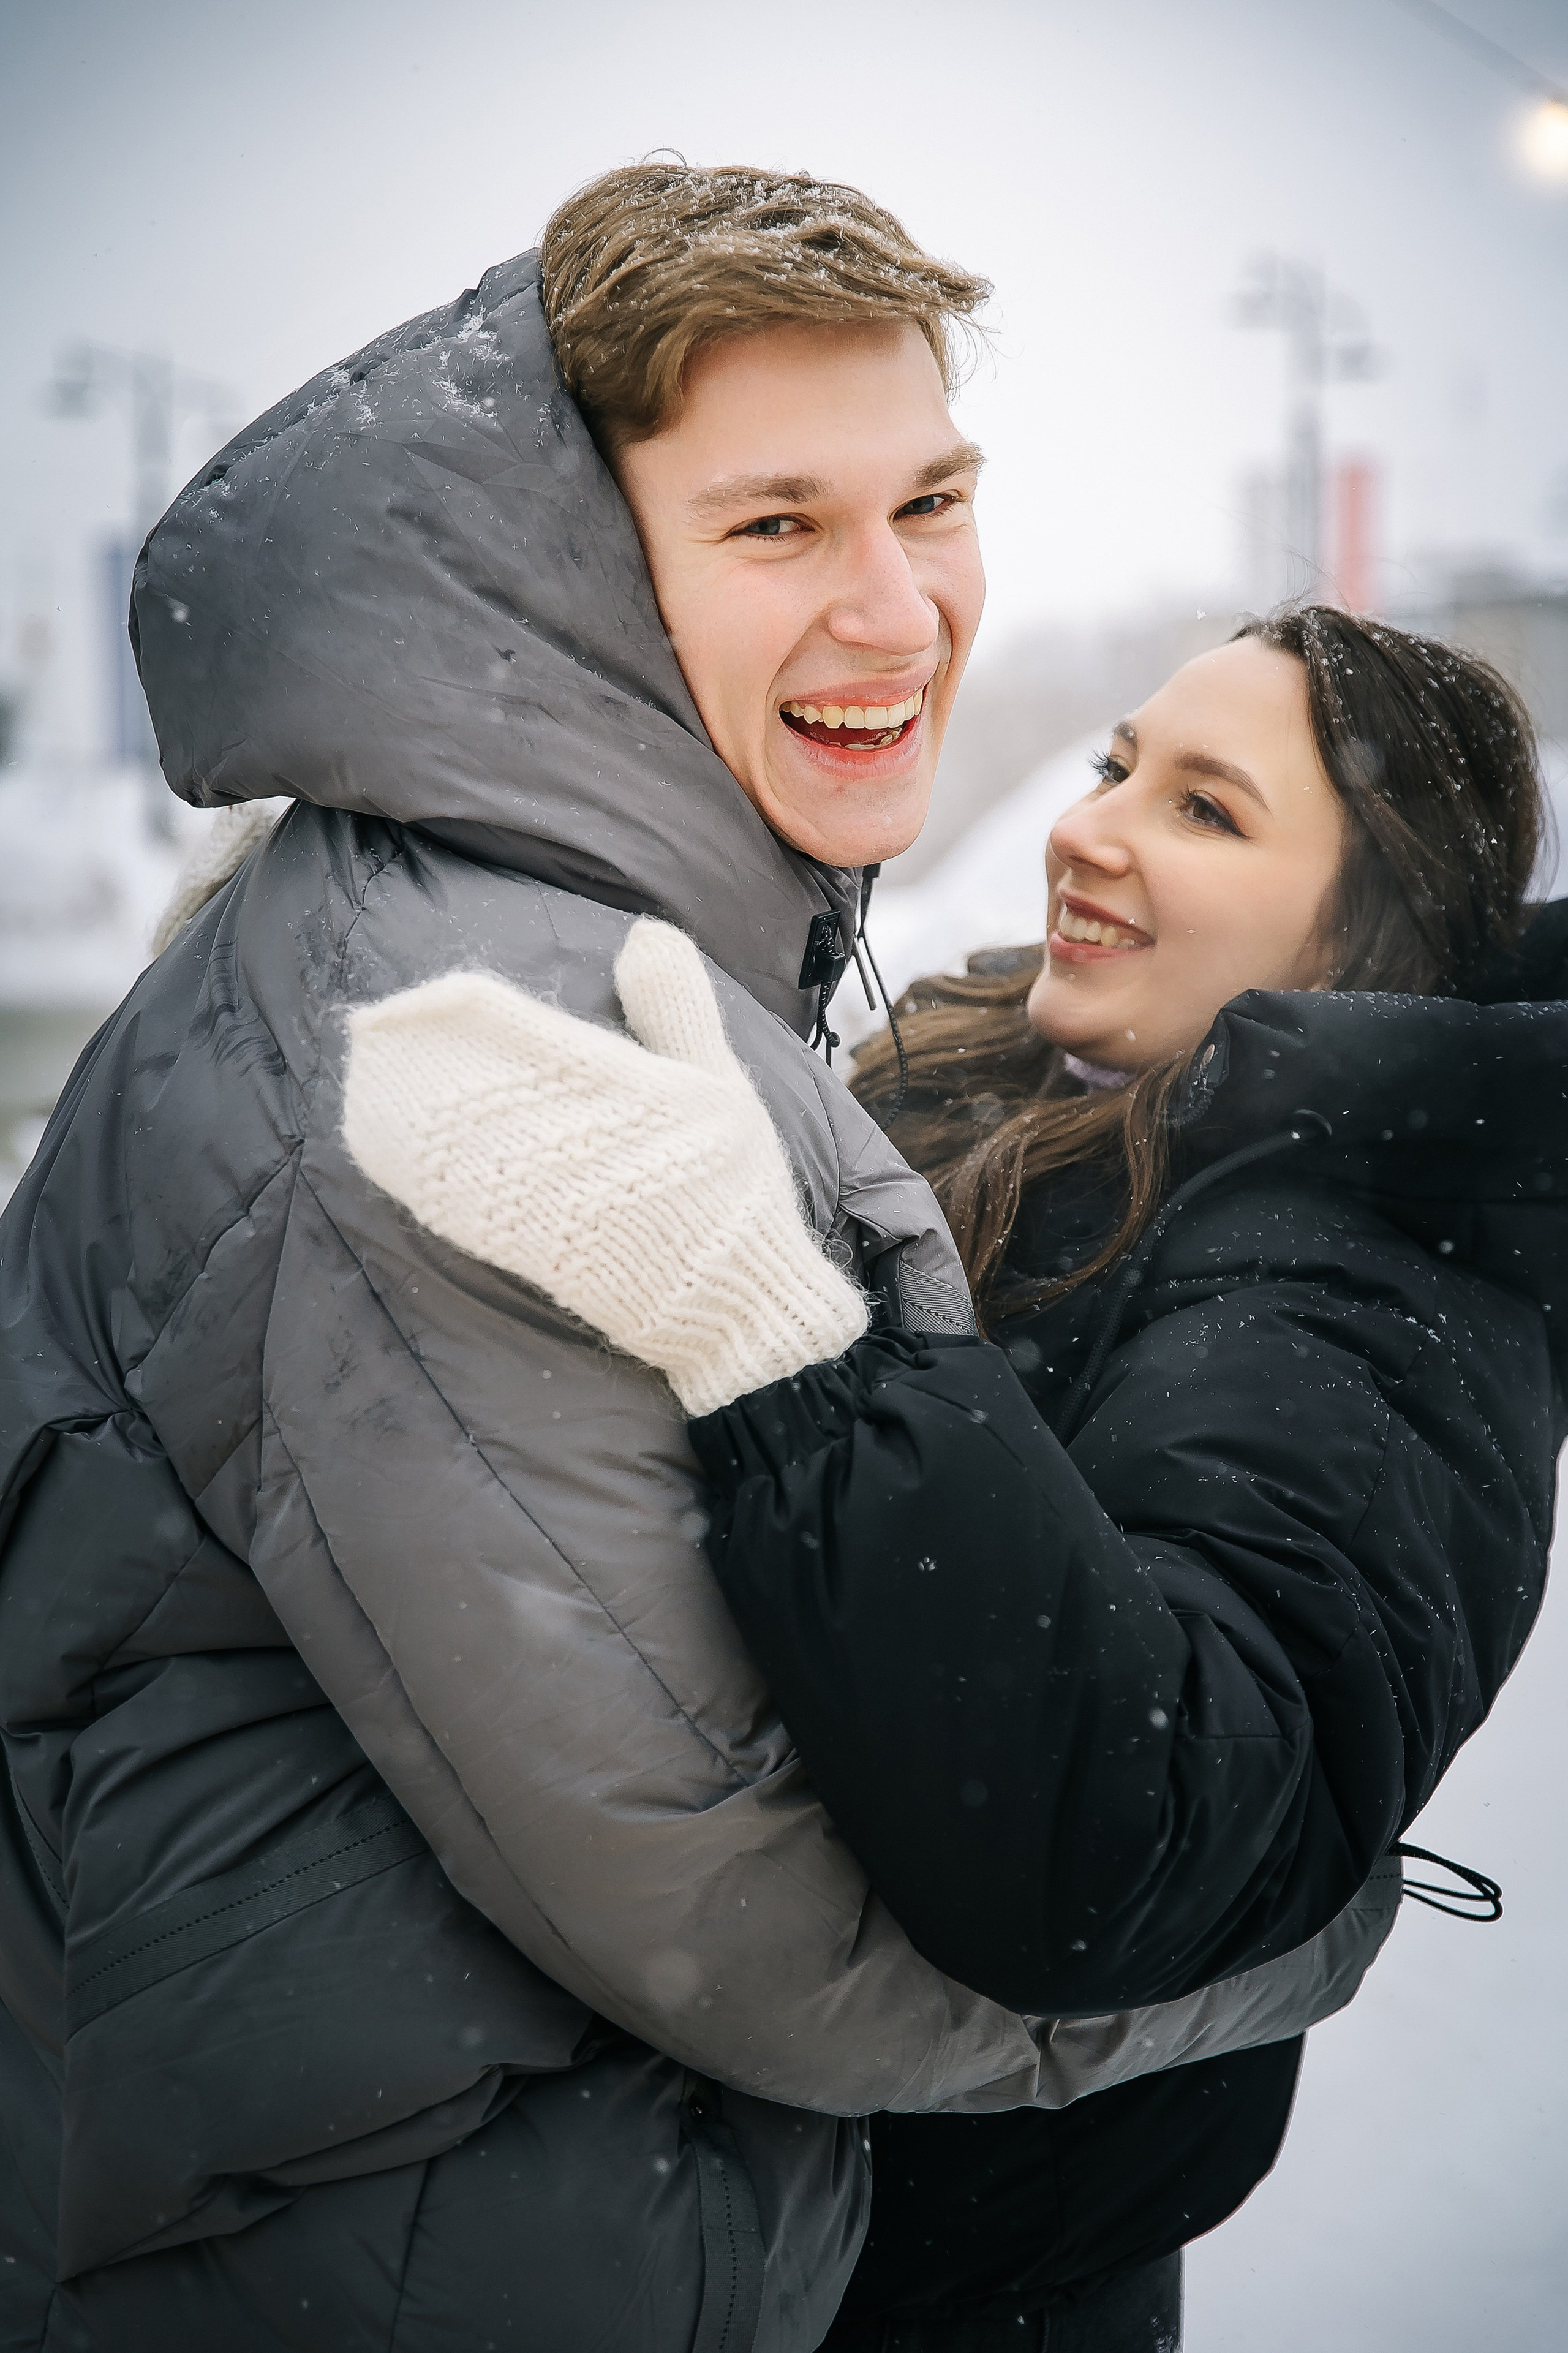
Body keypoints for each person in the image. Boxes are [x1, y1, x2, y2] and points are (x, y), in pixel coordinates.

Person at [0, 173, 1393, 2353]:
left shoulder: (517, 922)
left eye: (928, 500)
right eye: (775, 528)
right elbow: (736, 1912)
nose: (901, 610)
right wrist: (1295, 1916)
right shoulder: (493, 1041)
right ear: (584, 567)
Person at [429, 605, 1558, 2347]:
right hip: (713, 2223)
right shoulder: (980, 1075)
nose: (1090, 824)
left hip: (956, 2291)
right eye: (1117, 763)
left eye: (1206, 809)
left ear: (1363, 938)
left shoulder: (1360, 1296)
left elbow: (1134, 1833)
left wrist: (781, 1338)